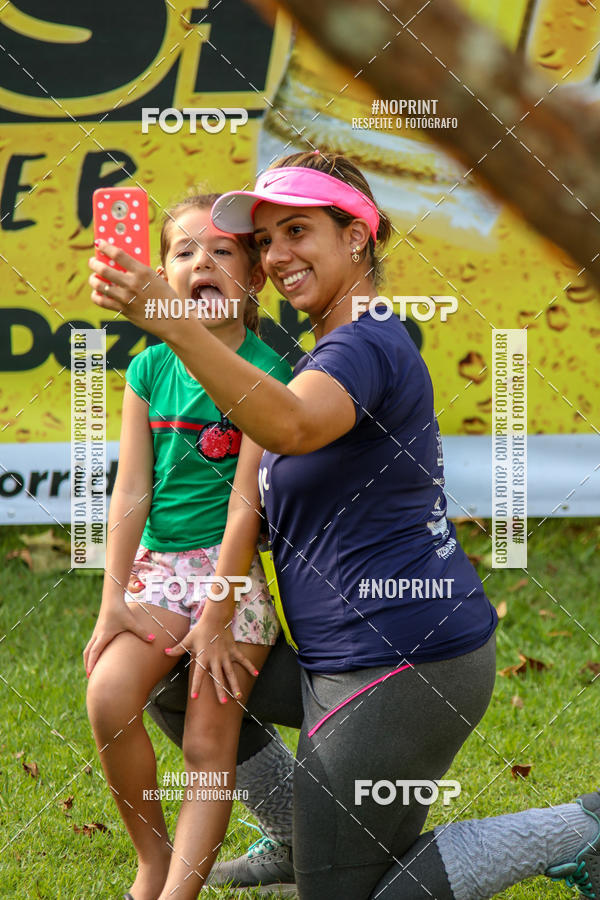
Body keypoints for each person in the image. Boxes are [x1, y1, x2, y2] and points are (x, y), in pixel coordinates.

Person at [89, 153, 600, 900]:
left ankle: (580, 827)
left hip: (401, 662)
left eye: (297, 230)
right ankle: (298, 835)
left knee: (343, 895)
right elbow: (254, 464)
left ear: (357, 238)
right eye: (265, 241)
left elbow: (289, 425)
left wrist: (167, 320)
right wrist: (218, 606)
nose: (278, 255)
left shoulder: (364, 341)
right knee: (169, 663)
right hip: (335, 656)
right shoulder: (314, 354)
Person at [84, 192, 293, 900]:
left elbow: (246, 507)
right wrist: (115, 594)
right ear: (162, 279)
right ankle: (152, 857)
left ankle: (173, 894)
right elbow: (132, 490)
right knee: (109, 699)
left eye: (223, 250)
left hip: (229, 580)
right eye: (182, 251)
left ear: (254, 277)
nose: (201, 261)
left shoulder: (268, 372)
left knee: (208, 748)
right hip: (159, 572)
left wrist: (215, 616)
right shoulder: (148, 371)